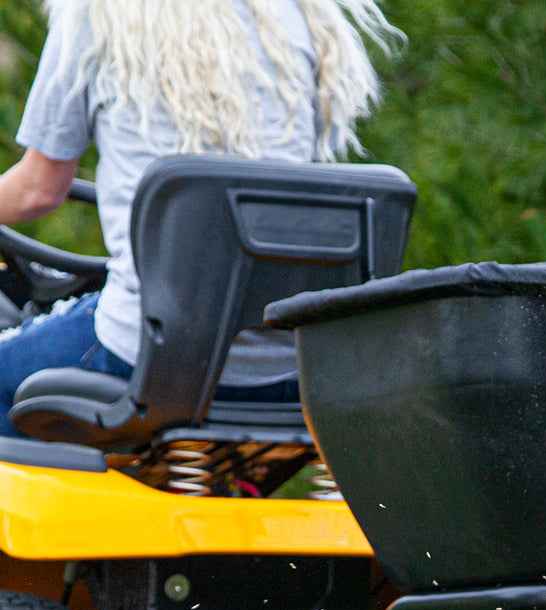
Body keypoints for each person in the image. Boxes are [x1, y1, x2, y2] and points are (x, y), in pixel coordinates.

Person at [0, 0, 399, 439]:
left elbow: (37, 190)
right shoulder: (296, 17)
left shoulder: (101, 14)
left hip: (151, 363)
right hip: (289, 372)